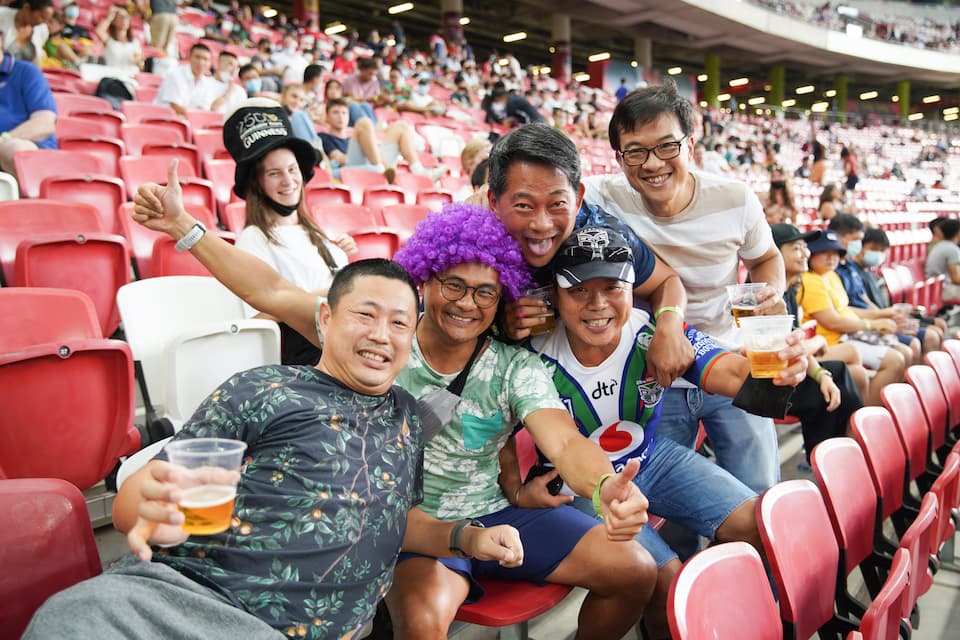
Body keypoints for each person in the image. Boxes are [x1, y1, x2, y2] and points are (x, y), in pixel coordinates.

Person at [127, 177, 659, 640]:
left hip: (495, 511)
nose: (468, 304)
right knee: (423, 622)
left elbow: (563, 440)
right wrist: (186, 228)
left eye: (486, 293)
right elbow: (269, 289)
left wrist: (602, 486)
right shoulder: (374, 335)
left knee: (636, 570)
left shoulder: (513, 367)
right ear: (426, 279)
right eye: (454, 284)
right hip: (408, 521)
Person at [23, 258, 524, 639]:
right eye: (364, 315)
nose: (379, 334)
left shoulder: (409, 418)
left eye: (398, 323)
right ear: (325, 318)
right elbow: (151, 498)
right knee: (70, 620)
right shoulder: (263, 388)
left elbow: (392, 519)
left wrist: (468, 539)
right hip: (183, 598)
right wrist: (138, 504)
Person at [515, 226, 809, 639]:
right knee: (665, 581)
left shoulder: (653, 333)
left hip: (650, 458)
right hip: (576, 485)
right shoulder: (530, 350)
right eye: (579, 290)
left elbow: (732, 372)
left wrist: (781, 368)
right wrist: (514, 488)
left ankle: (712, 624)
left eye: (613, 287)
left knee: (758, 527)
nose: (598, 304)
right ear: (554, 295)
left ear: (633, 288)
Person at [577, 80, 785, 504]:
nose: (652, 163)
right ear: (619, 158)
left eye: (667, 147)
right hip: (651, 376)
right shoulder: (601, 195)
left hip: (727, 358)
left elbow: (766, 258)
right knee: (673, 508)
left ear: (690, 145)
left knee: (761, 491)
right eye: (635, 151)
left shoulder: (734, 198)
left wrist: (765, 294)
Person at [479, 122, 694, 389]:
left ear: (579, 198)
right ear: (494, 203)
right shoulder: (474, 246)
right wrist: (501, 325)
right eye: (524, 206)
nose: (542, 224)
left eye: (558, 204)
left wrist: (670, 326)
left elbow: (666, 281)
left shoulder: (603, 238)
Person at [224, 99, 353, 365]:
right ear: (257, 185)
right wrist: (328, 294)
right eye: (274, 173)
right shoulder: (253, 240)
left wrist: (343, 257)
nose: (289, 181)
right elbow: (256, 323)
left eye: (293, 170)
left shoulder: (318, 232)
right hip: (306, 365)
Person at [772, 223, 865, 457]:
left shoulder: (790, 291)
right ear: (773, 254)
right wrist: (817, 344)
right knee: (832, 393)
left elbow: (799, 347)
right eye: (796, 248)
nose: (806, 253)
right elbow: (788, 350)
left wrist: (821, 375)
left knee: (838, 374)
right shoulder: (767, 294)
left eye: (805, 247)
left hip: (794, 371)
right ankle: (831, 459)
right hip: (772, 382)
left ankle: (846, 456)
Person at [798, 229, 906, 406]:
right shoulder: (810, 280)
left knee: (903, 351)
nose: (831, 257)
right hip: (833, 341)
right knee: (895, 360)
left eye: (835, 253)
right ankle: (870, 415)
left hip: (847, 335)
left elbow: (845, 309)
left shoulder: (831, 275)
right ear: (811, 254)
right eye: (824, 252)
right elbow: (833, 321)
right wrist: (872, 324)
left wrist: (881, 315)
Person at [830, 213, 933, 359]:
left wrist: (887, 316)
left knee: (929, 332)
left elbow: (865, 300)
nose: (858, 245)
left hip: (871, 321)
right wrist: (881, 318)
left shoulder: (850, 268)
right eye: (856, 240)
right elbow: (842, 311)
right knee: (909, 348)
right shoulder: (832, 272)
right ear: (839, 237)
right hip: (857, 326)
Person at [318, 98, 444, 183]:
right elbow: (340, 159)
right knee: (364, 123)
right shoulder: (324, 137)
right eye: (335, 112)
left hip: (372, 164)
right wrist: (372, 154)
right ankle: (381, 169)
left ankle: (420, 171)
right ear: (327, 117)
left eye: (344, 113)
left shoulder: (351, 138)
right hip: (351, 168)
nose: (341, 116)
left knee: (401, 126)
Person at [0, 29, 57, 176]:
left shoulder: (27, 72)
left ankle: (37, 196)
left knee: (13, 148)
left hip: (24, 146)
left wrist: (4, 139)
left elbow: (44, 123)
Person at [154, 43, 224, 116]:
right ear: (189, 57)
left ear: (210, 63)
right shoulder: (175, 75)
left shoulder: (208, 83)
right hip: (164, 118)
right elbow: (175, 107)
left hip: (190, 120)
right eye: (197, 57)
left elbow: (204, 109)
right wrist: (195, 115)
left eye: (205, 59)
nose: (201, 62)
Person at [94, 4, 141, 77]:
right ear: (114, 20)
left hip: (131, 77)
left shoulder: (135, 42)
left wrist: (139, 61)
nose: (124, 20)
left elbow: (140, 64)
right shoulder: (109, 40)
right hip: (113, 77)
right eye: (121, 17)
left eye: (127, 17)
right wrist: (110, 17)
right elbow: (98, 31)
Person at [0, 0, 52, 65]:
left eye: (47, 19)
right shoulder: (1, 16)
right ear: (26, 8)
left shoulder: (42, 30)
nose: (44, 22)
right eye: (42, 17)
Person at [926, 217, 960, 303]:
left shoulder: (938, 246)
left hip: (936, 288)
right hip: (943, 290)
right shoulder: (952, 249)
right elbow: (955, 279)